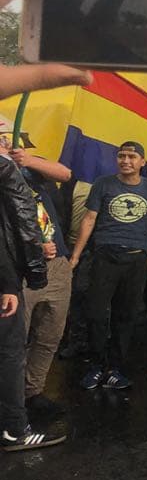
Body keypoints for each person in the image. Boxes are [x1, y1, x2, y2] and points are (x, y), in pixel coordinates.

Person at [68, 141, 147, 390]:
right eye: (122, 156)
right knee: (96, 313)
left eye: (132, 156)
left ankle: (116, 368)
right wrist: (75, 256)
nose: (126, 161)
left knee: (126, 315)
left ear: (143, 162)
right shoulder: (103, 183)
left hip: (136, 258)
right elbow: (89, 219)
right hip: (105, 256)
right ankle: (96, 366)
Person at [0, 133, 74, 418]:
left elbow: (65, 174)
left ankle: (33, 391)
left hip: (57, 265)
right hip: (20, 271)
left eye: (9, 140)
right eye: (1, 140)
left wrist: (28, 160)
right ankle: (11, 399)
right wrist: (33, 248)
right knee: (15, 340)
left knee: (50, 334)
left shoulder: (30, 169)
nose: (7, 145)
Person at [0, 141, 57, 451]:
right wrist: (11, 284)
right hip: (4, 284)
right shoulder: (5, 169)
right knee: (9, 353)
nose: (7, 144)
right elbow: (22, 220)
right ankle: (14, 429)